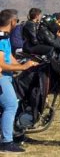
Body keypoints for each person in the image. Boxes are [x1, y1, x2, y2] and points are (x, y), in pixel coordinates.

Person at [0, 9, 38, 153]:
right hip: (2, 77)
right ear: (12, 22)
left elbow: (9, 57)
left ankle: (15, 134)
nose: (17, 23)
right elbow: (1, 64)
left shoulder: (5, 37)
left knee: (15, 102)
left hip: (7, 76)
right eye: (16, 20)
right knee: (10, 106)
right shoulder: (1, 39)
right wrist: (22, 67)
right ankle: (6, 143)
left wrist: (25, 65)